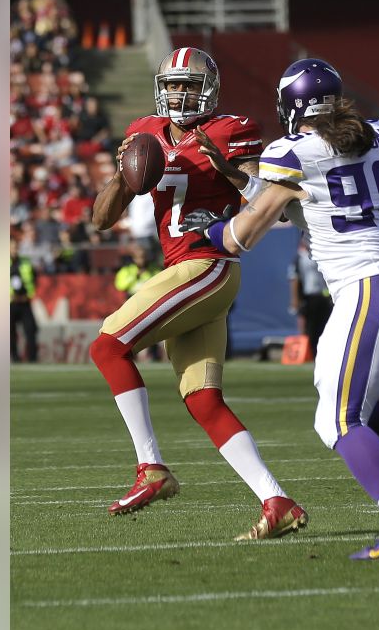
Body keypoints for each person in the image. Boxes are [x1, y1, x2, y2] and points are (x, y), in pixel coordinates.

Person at [180, 58, 379, 559]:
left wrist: (202, 233)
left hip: (366, 292)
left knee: (339, 423)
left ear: (291, 107)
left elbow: (246, 234)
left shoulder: (291, 151)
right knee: (357, 416)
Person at [87, 47, 307, 539]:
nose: (180, 93)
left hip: (208, 264)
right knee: (203, 400)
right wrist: (124, 175)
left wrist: (225, 167)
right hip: (183, 270)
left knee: (107, 345)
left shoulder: (232, 130)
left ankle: (152, 469)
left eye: (189, 84)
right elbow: (101, 219)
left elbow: (265, 199)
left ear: (208, 88)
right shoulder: (143, 131)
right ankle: (277, 500)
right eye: (173, 84)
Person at [288, 236, 331, 359]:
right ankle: (310, 352)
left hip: (323, 295)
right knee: (310, 326)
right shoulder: (299, 258)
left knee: (324, 325)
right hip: (309, 296)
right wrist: (295, 300)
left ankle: (322, 352)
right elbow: (294, 279)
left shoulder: (320, 255)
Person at [10, 237, 39, 363]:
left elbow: (33, 279)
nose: (14, 249)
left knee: (31, 329)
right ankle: (15, 358)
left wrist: (29, 294)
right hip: (9, 304)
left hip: (24, 302)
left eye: (16, 246)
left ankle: (32, 358)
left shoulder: (25, 262)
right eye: (12, 247)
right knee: (10, 332)